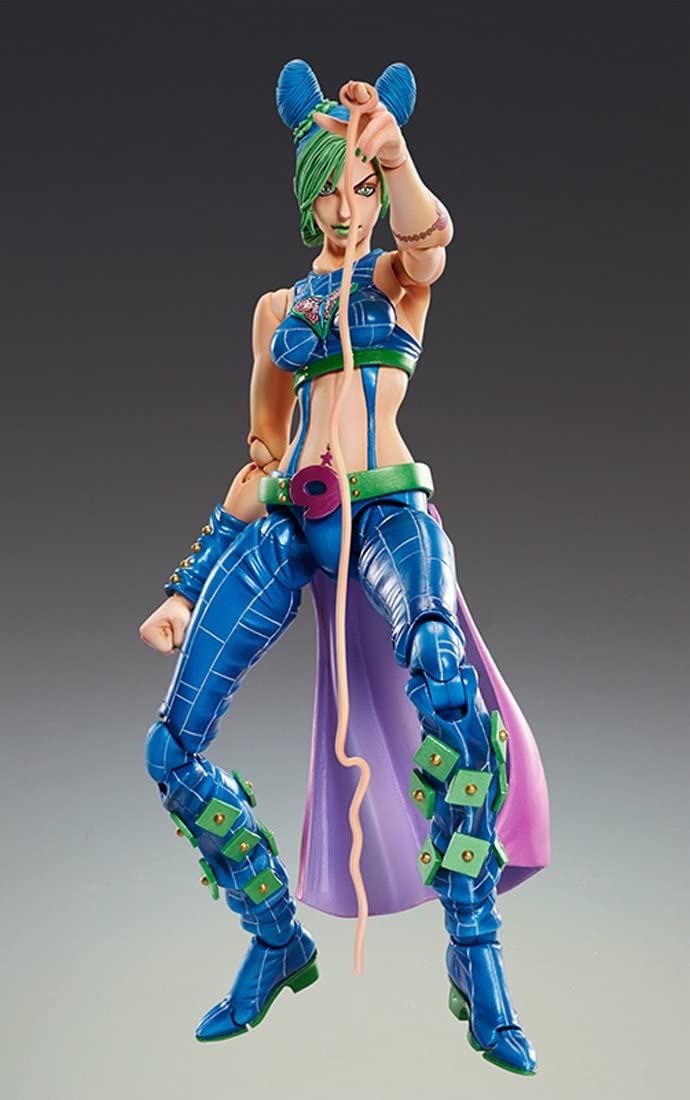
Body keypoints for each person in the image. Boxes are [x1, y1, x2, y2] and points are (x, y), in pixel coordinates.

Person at [140, 59, 549, 1075]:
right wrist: (185, 585)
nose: (345, 207)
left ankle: (474, 953)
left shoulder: (397, 280)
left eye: (360, 187)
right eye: (331, 189)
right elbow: (259, 460)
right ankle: (276, 937)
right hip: (291, 519)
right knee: (171, 746)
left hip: (388, 510)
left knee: (448, 688)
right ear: (305, 193)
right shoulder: (277, 305)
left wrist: (396, 159)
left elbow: (431, 240)